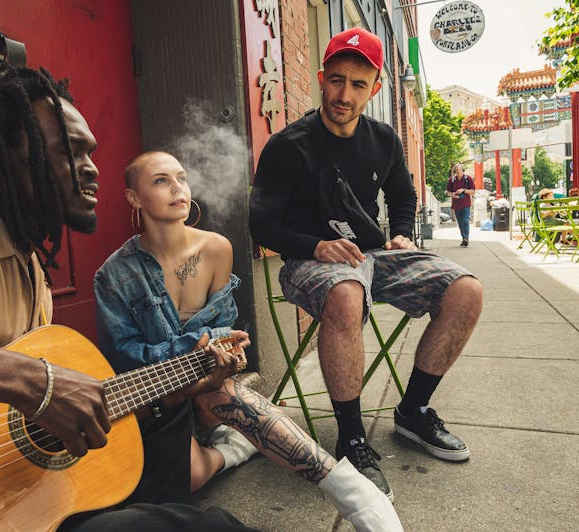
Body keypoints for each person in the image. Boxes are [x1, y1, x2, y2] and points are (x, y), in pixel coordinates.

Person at [0, 67, 254, 531]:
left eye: (91, 153)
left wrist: (183, 384)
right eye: (69, 151)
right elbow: (27, 385)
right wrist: (26, 379)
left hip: (10, 509)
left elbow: (17, 426)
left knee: (171, 454)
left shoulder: (31, 272)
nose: (92, 168)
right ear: (10, 156)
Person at [94, 150, 403, 532]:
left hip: (210, 388)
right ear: (133, 198)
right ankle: (233, 450)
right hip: (159, 397)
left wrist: (215, 352)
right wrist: (196, 349)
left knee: (213, 388)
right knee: (188, 477)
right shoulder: (113, 275)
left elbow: (228, 334)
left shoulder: (216, 249)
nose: (178, 188)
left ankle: (353, 491)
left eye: (182, 178)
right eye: (161, 181)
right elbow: (124, 359)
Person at [249, 27, 482, 502]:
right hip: (309, 261)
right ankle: (352, 439)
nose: (344, 94)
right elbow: (261, 225)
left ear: (375, 88)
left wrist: (400, 232)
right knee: (345, 293)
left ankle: (413, 412)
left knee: (466, 290)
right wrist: (315, 246)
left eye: (358, 85)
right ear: (321, 78)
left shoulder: (384, 139)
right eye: (336, 81)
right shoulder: (287, 146)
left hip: (374, 253)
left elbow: (402, 196)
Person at [446, 163, 475, 246]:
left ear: (463, 170)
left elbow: (473, 191)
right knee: (460, 222)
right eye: (457, 170)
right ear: (455, 171)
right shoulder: (451, 180)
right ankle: (463, 238)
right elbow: (448, 192)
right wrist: (453, 194)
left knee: (465, 221)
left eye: (460, 170)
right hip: (456, 204)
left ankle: (466, 238)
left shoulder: (468, 179)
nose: (459, 171)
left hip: (466, 204)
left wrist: (463, 190)